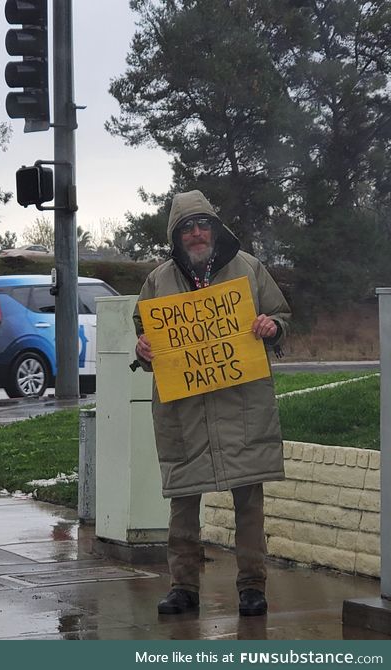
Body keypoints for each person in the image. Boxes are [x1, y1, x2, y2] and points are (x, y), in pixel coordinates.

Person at [133, 190, 291, 617]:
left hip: (242, 406)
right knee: (183, 501)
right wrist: (143, 348)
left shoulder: (250, 270)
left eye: (202, 224)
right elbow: (143, 331)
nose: (196, 233)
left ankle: (252, 588)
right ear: (176, 235)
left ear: (215, 228)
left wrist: (270, 325)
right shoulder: (158, 280)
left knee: (249, 501)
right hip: (184, 412)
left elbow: (282, 317)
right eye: (187, 227)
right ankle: (183, 587)